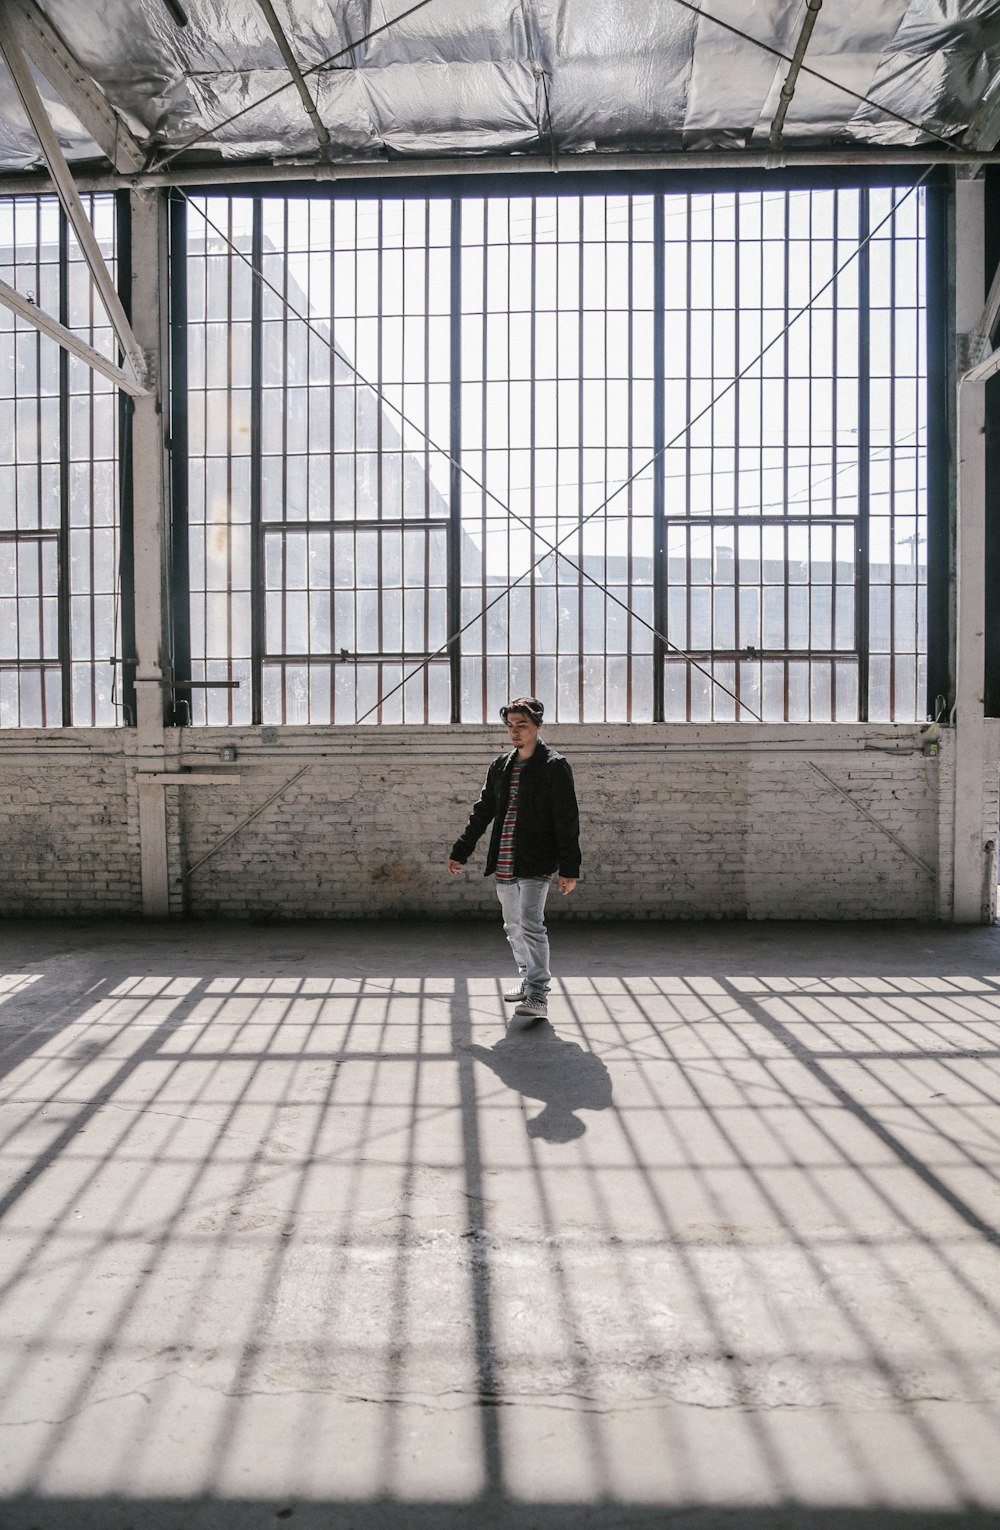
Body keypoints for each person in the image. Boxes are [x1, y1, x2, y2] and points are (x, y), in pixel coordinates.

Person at [447, 696, 580, 1022]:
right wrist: (461, 850)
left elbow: (567, 818)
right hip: (505, 859)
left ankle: (538, 993)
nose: (515, 732)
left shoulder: (554, 766)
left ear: (538, 726)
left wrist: (569, 867)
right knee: (512, 926)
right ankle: (527, 977)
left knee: (532, 925)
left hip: (537, 859)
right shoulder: (501, 766)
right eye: (510, 726)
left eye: (522, 725)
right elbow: (483, 812)